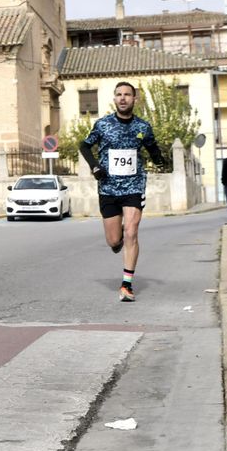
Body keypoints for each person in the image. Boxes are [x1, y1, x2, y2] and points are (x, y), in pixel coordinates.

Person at [78, 81, 166, 303]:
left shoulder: (143, 127)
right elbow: (84, 146)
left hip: (134, 186)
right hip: (108, 187)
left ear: (134, 99)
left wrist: (161, 160)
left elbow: (152, 147)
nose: (123, 98)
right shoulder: (103, 124)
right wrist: (95, 166)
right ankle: (118, 241)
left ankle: (127, 284)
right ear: (114, 98)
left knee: (132, 232)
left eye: (127, 94)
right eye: (119, 94)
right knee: (114, 239)